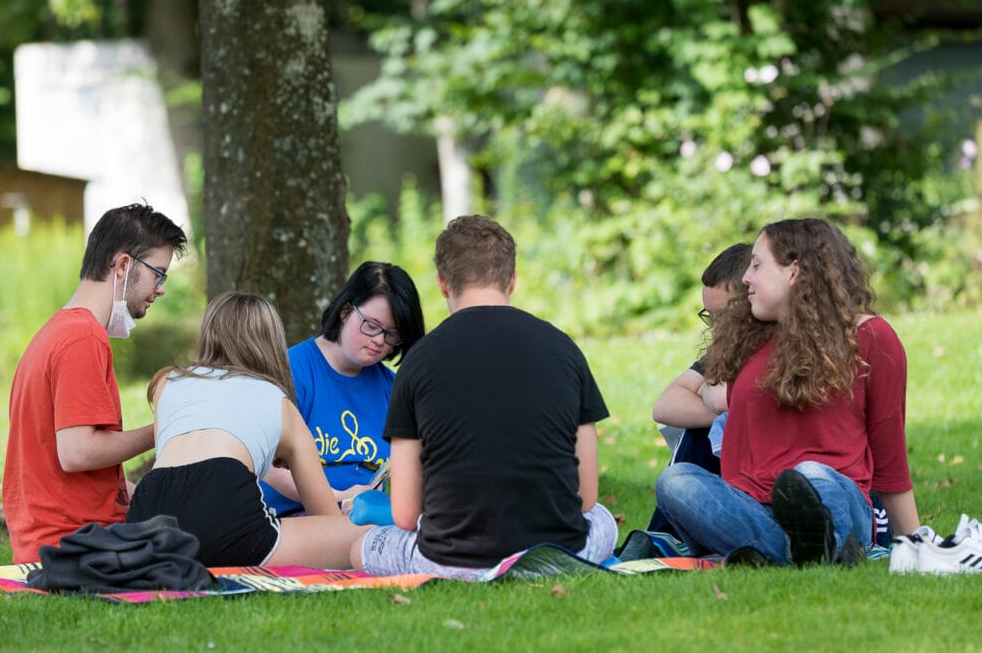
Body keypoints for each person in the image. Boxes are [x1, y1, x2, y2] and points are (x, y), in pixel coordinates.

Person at [350, 215, 618, 578]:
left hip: (448, 560)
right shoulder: (564, 349)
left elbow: (404, 513)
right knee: (602, 518)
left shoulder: (418, 360)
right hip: (558, 550)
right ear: (512, 279)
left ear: (443, 285)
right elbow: (585, 497)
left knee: (361, 548)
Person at [655, 218, 918, 566]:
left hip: (834, 493)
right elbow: (698, 397)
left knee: (811, 476)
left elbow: (890, 458)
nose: (746, 277)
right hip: (751, 505)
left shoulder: (872, 337)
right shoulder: (746, 340)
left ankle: (786, 548)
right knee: (676, 482)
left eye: (757, 265)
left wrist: (915, 544)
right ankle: (807, 552)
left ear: (794, 272)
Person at [3, 203, 188, 563]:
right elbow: (77, 453)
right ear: (122, 266)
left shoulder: (58, 331)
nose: (161, 289)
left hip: (62, 538)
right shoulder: (82, 338)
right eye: (158, 274)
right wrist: (165, 428)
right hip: (73, 544)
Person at [126, 291, 366, 568]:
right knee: (357, 535)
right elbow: (324, 515)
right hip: (224, 511)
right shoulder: (278, 402)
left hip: (149, 517)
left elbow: (174, 456)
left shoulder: (167, 382)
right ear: (272, 342)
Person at [258, 261, 425, 516]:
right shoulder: (288, 372)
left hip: (372, 521)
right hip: (294, 520)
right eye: (371, 325)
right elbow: (267, 465)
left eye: (392, 334)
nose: (380, 341)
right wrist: (339, 499)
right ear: (346, 311)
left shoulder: (393, 387)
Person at [646, 243, 750, 535]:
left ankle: (663, 536)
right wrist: (724, 409)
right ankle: (663, 535)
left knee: (709, 426)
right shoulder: (727, 348)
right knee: (707, 424)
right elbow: (665, 406)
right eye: (710, 317)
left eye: (724, 318)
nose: (715, 330)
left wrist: (714, 396)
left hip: (759, 484)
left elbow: (718, 396)